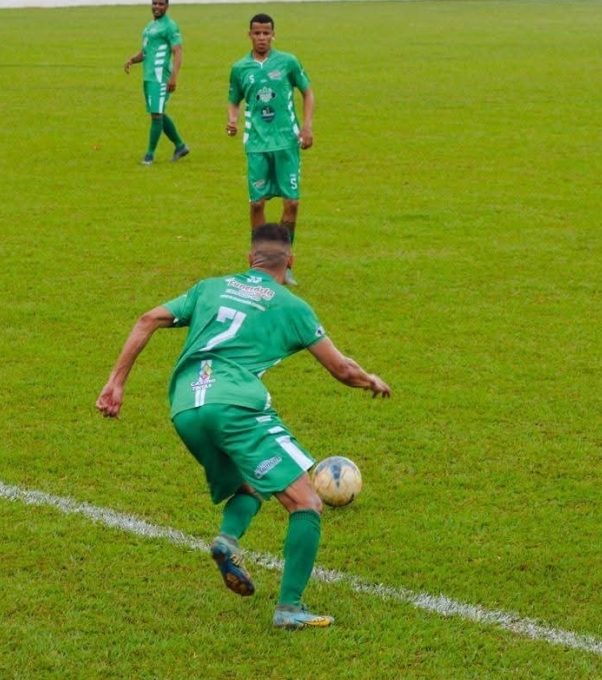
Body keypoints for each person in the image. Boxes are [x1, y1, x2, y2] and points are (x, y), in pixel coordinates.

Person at [96, 223, 391, 630]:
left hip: (186, 407)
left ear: (250, 258)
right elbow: (341, 369)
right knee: (306, 503)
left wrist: (116, 383)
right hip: (235, 404)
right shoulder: (292, 306)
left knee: (250, 483)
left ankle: (227, 540)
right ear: (290, 262)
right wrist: (370, 379)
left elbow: (147, 319)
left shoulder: (209, 287)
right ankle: (290, 609)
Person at [227, 14, 315, 286]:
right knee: (256, 204)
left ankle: (284, 262)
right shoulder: (240, 68)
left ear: (273, 34)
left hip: (287, 143)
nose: (262, 38)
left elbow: (308, 92)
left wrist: (307, 127)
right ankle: (261, 264)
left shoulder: (288, 62)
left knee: (292, 203)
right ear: (249, 35)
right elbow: (234, 100)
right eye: (257, 33)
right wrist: (232, 119)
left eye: (266, 33)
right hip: (257, 145)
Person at [124, 0, 190, 166]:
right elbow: (146, 51)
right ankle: (180, 146)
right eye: (155, 3)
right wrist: (133, 59)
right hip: (149, 76)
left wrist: (173, 76)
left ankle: (149, 155)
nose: (157, 7)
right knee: (158, 112)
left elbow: (178, 52)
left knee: (156, 115)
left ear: (167, 6)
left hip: (160, 77)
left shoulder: (170, 26)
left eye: (161, 4)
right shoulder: (150, 26)